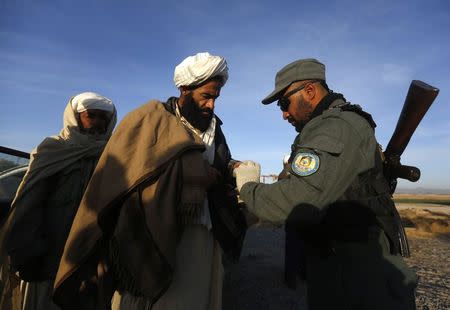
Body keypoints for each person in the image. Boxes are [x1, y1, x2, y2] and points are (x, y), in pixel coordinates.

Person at [51, 52, 248, 310]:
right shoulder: (150, 119)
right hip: (150, 234)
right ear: (185, 90)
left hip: (202, 238)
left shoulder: (214, 128)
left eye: (215, 98)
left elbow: (220, 165)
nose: (211, 105)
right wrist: (193, 173)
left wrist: (233, 167)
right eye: (206, 96)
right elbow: (130, 176)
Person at [234, 58, 418, 309]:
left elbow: (298, 201)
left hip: (358, 273)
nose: (284, 114)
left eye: (284, 103)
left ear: (309, 91)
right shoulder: (321, 129)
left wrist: (247, 186)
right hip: (337, 262)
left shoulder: (336, 127)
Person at [0, 92, 117, 310]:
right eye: (92, 115)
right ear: (75, 116)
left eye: (104, 118)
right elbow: (28, 207)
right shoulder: (53, 150)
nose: (99, 123)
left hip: (86, 261)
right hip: (44, 260)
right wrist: (29, 254)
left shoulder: (112, 156)